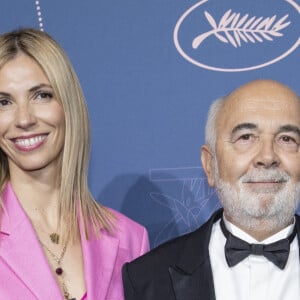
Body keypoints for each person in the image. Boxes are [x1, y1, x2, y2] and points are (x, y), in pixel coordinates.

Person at [0, 28, 149, 300]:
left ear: (68, 105)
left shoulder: (130, 239)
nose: (23, 119)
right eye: (4, 102)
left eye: (41, 95)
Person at [122, 79, 300, 300]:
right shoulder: (147, 277)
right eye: (245, 137)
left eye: (287, 139)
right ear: (210, 164)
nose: (267, 157)